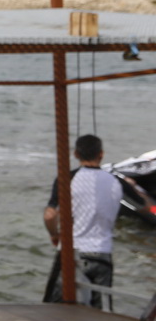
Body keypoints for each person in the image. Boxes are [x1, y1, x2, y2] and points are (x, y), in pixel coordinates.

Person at [43, 133, 122, 310]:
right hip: (102, 254)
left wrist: (54, 234)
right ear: (101, 154)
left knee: (54, 308)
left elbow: (50, 215)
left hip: (72, 253)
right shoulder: (115, 181)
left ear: (76, 154)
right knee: (102, 313)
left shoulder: (67, 179)